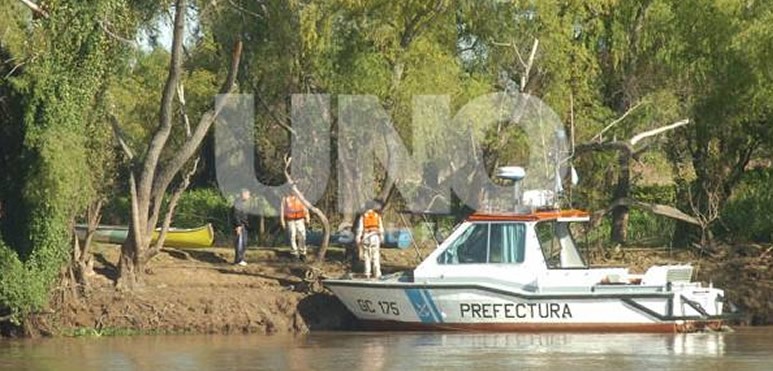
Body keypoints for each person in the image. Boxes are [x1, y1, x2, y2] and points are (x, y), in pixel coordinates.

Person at [355, 201, 384, 279]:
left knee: (367, 257)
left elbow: (360, 229)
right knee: (376, 256)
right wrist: (381, 237)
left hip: (366, 238)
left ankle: (367, 273)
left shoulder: (363, 216)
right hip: (375, 238)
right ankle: (377, 274)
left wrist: (358, 238)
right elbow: (381, 229)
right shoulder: (377, 216)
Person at [281, 190, 310, 261]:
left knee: (302, 235)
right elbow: (282, 210)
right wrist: (282, 221)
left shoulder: (300, 197)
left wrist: (307, 217)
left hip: (300, 219)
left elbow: (305, 208)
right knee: (292, 235)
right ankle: (294, 253)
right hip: (290, 220)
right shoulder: (285, 198)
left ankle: (302, 253)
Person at [233, 188, 251, 266]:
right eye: (248, 194)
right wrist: (238, 225)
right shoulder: (238, 203)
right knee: (240, 243)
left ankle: (241, 258)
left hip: (244, 226)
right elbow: (236, 215)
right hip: (240, 226)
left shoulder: (242, 203)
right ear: (243, 194)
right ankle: (239, 259)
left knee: (244, 243)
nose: (249, 196)